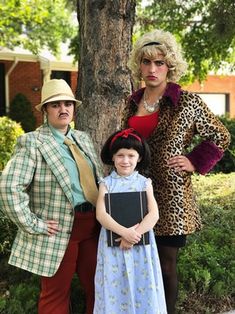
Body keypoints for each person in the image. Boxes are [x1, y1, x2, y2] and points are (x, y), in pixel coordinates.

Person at [121, 29, 231, 314]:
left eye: (159, 63)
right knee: (140, 262)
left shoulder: (187, 101)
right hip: (135, 190)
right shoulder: (132, 102)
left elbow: (220, 136)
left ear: (170, 66)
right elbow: (125, 142)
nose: (152, 69)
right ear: (139, 66)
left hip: (171, 197)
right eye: (147, 62)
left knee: (167, 265)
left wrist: (194, 161)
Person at [0, 79, 103, 314]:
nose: (63, 109)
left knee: (99, 287)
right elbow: (8, 188)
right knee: (56, 293)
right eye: (56, 104)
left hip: (93, 226)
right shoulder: (32, 143)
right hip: (60, 230)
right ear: (45, 110)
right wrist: (33, 224)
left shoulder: (82, 139)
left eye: (68, 103)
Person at [93, 128, 167, 314]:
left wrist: (135, 234)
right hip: (113, 246)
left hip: (140, 245)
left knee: (142, 282)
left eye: (131, 155)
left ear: (139, 158)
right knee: (114, 283)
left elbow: (153, 214)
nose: (125, 160)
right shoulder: (106, 184)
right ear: (113, 157)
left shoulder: (144, 183)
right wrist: (124, 233)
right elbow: (101, 215)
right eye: (120, 155)